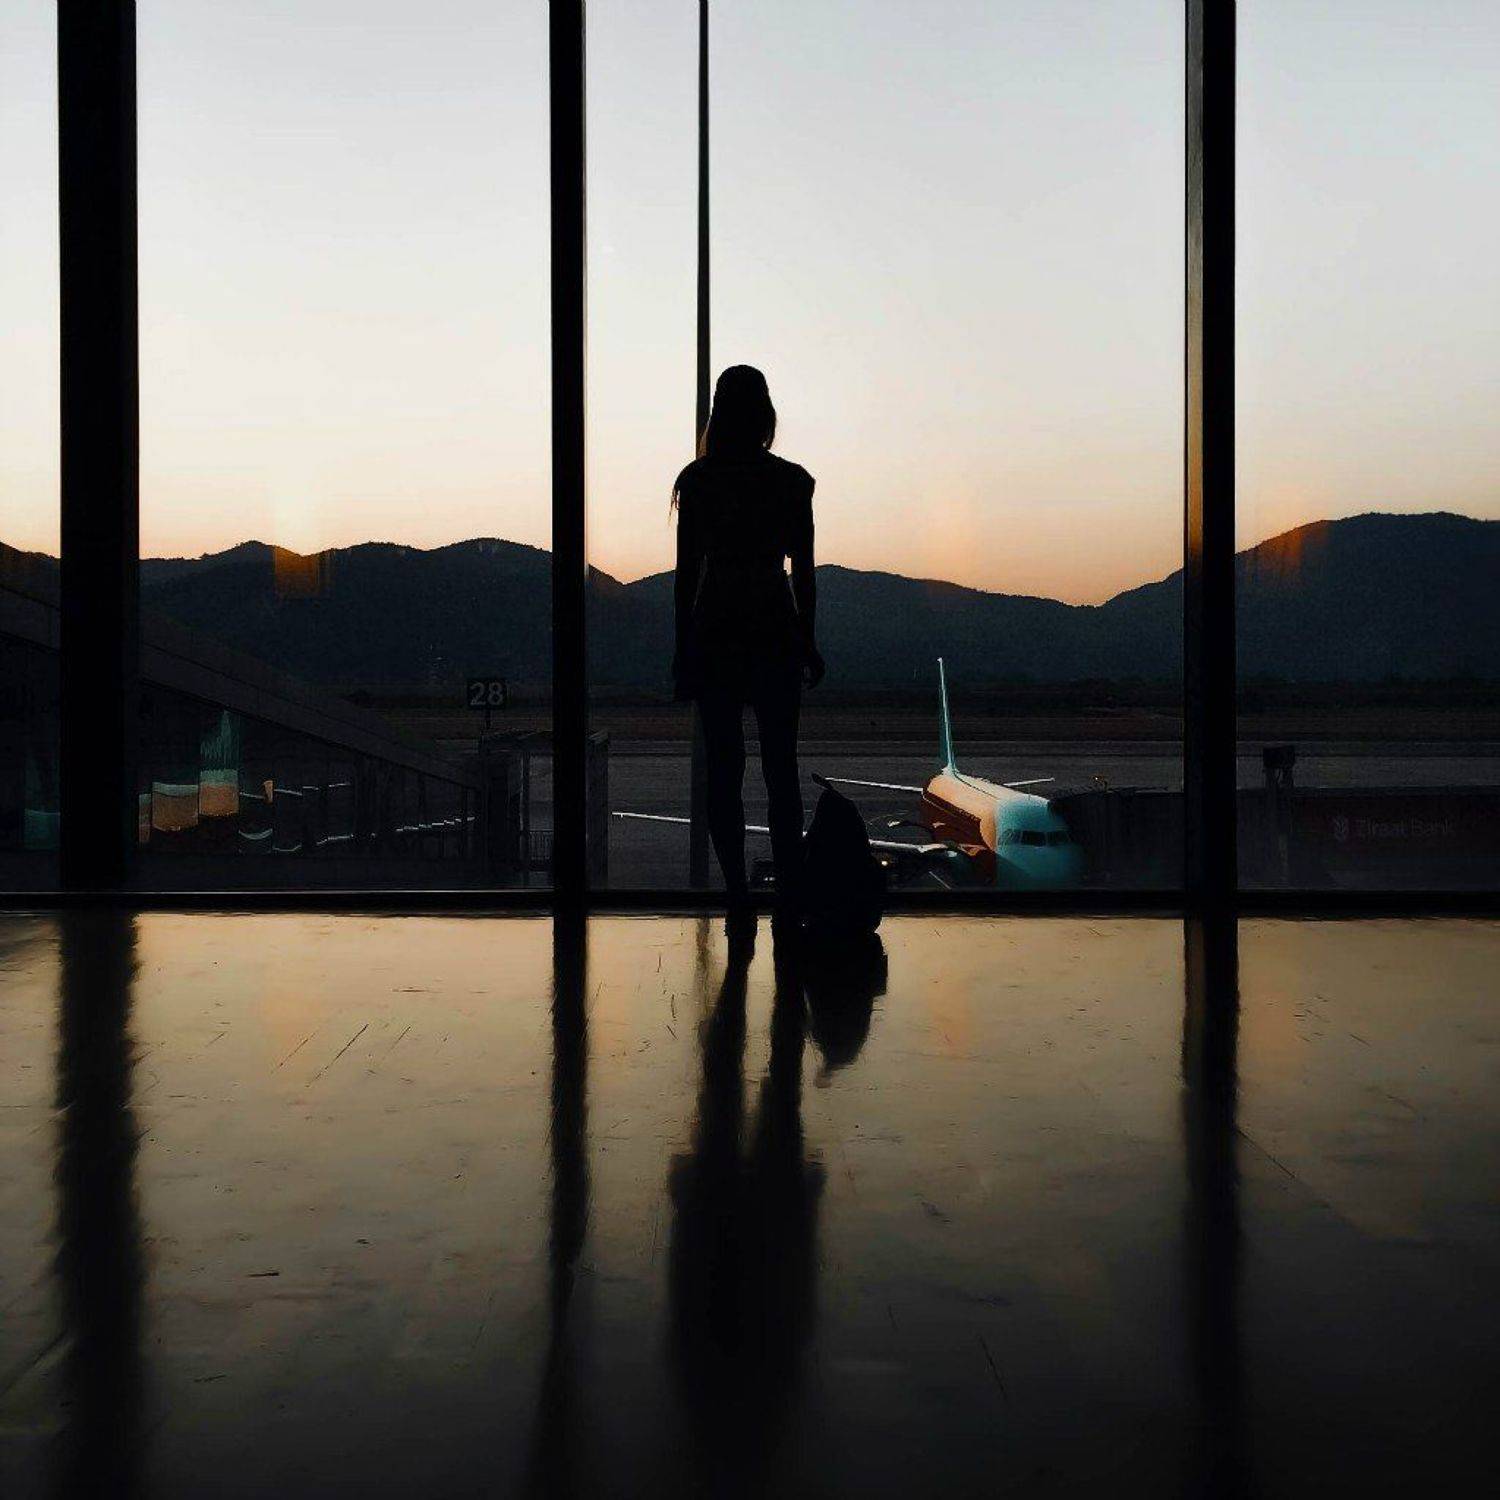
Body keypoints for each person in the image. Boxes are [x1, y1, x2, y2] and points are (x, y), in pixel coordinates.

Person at [673, 365, 825, 915]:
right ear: (766, 414)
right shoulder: (793, 482)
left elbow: (686, 578)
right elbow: (803, 572)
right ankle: (789, 895)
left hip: (716, 627)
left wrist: (682, 649)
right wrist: (807, 637)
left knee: (724, 771)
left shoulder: (698, 482)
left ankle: (737, 893)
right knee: (781, 771)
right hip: (774, 625)